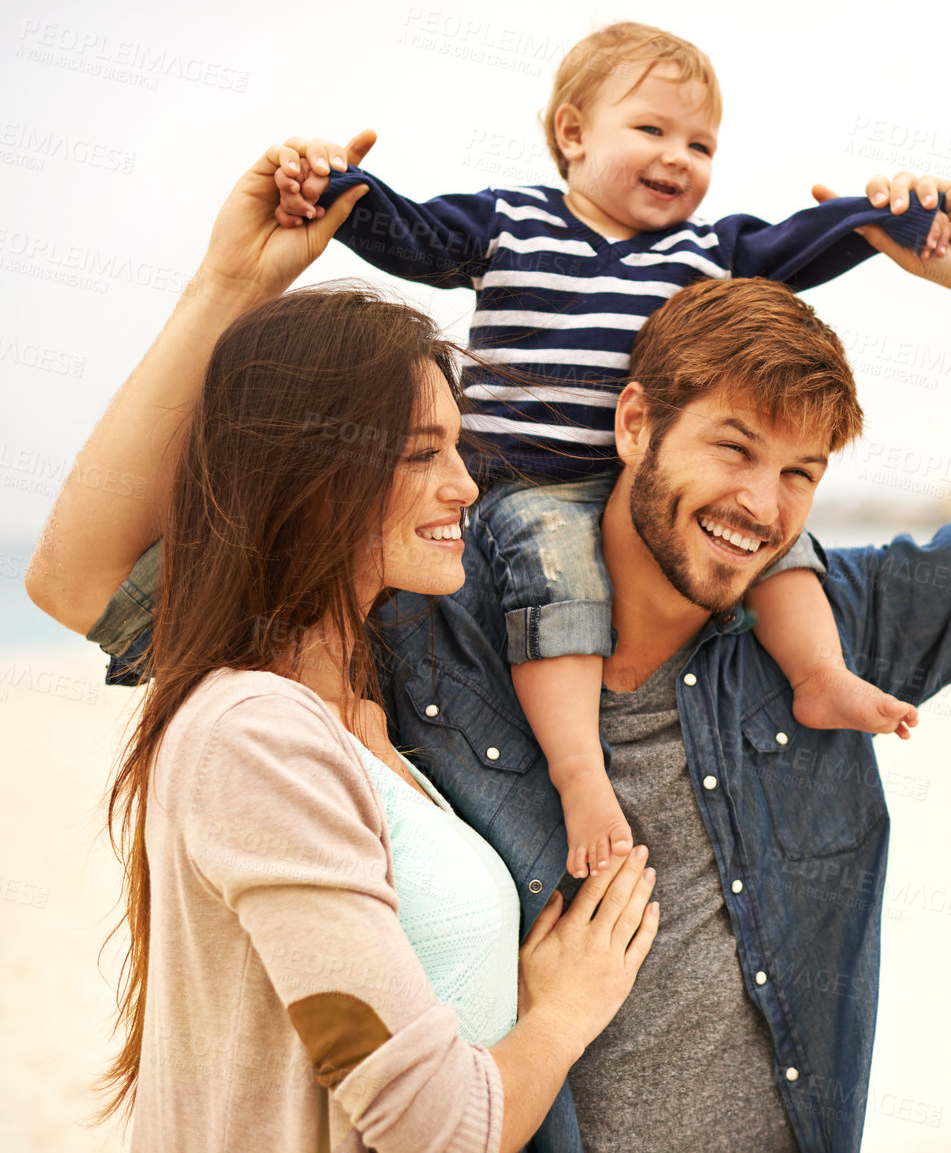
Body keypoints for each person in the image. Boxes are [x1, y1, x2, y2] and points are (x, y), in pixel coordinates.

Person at [34, 143, 951, 1149]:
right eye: (732, 447)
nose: (762, 506)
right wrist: (232, 286)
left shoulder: (823, 635)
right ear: (632, 425)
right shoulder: (434, 625)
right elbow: (81, 577)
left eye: (801, 474)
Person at [25, 147, 660, 1153]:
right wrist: (567, 1010)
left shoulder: (371, 691)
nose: (463, 486)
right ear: (311, 477)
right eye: (420, 455)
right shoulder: (258, 733)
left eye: (459, 447)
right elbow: (436, 1128)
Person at [273, 20, 951, 881]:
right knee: (562, 576)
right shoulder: (511, 221)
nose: (680, 156)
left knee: (788, 542)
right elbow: (410, 234)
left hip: (634, 486)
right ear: (572, 133)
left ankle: (818, 672)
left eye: (700, 143)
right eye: (652, 130)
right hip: (525, 486)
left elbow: (806, 241)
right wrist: (337, 186)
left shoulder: (705, 252)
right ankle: (580, 771)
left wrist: (891, 211)